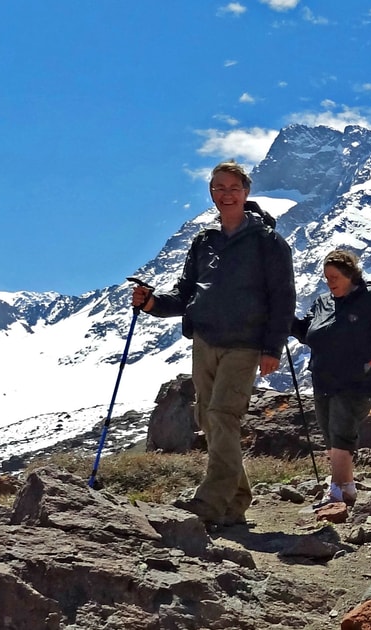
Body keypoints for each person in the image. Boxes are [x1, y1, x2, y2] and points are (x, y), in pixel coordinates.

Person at [131, 161, 295, 528]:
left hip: (245, 342)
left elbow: (283, 297)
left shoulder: (268, 242)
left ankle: (209, 502)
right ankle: (235, 500)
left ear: (246, 192)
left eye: (233, 188)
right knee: (208, 417)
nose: (226, 194)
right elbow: (185, 293)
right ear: (211, 193)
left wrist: (272, 348)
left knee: (222, 414)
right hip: (205, 340)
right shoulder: (204, 241)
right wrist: (152, 303)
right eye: (218, 188)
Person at [291, 249, 371, 507]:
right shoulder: (323, 302)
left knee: (341, 432)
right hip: (324, 377)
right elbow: (307, 332)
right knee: (330, 435)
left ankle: (335, 494)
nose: (330, 282)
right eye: (327, 278)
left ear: (350, 275)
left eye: (335, 277)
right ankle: (347, 489)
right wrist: (284, 320)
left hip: (357, 378)